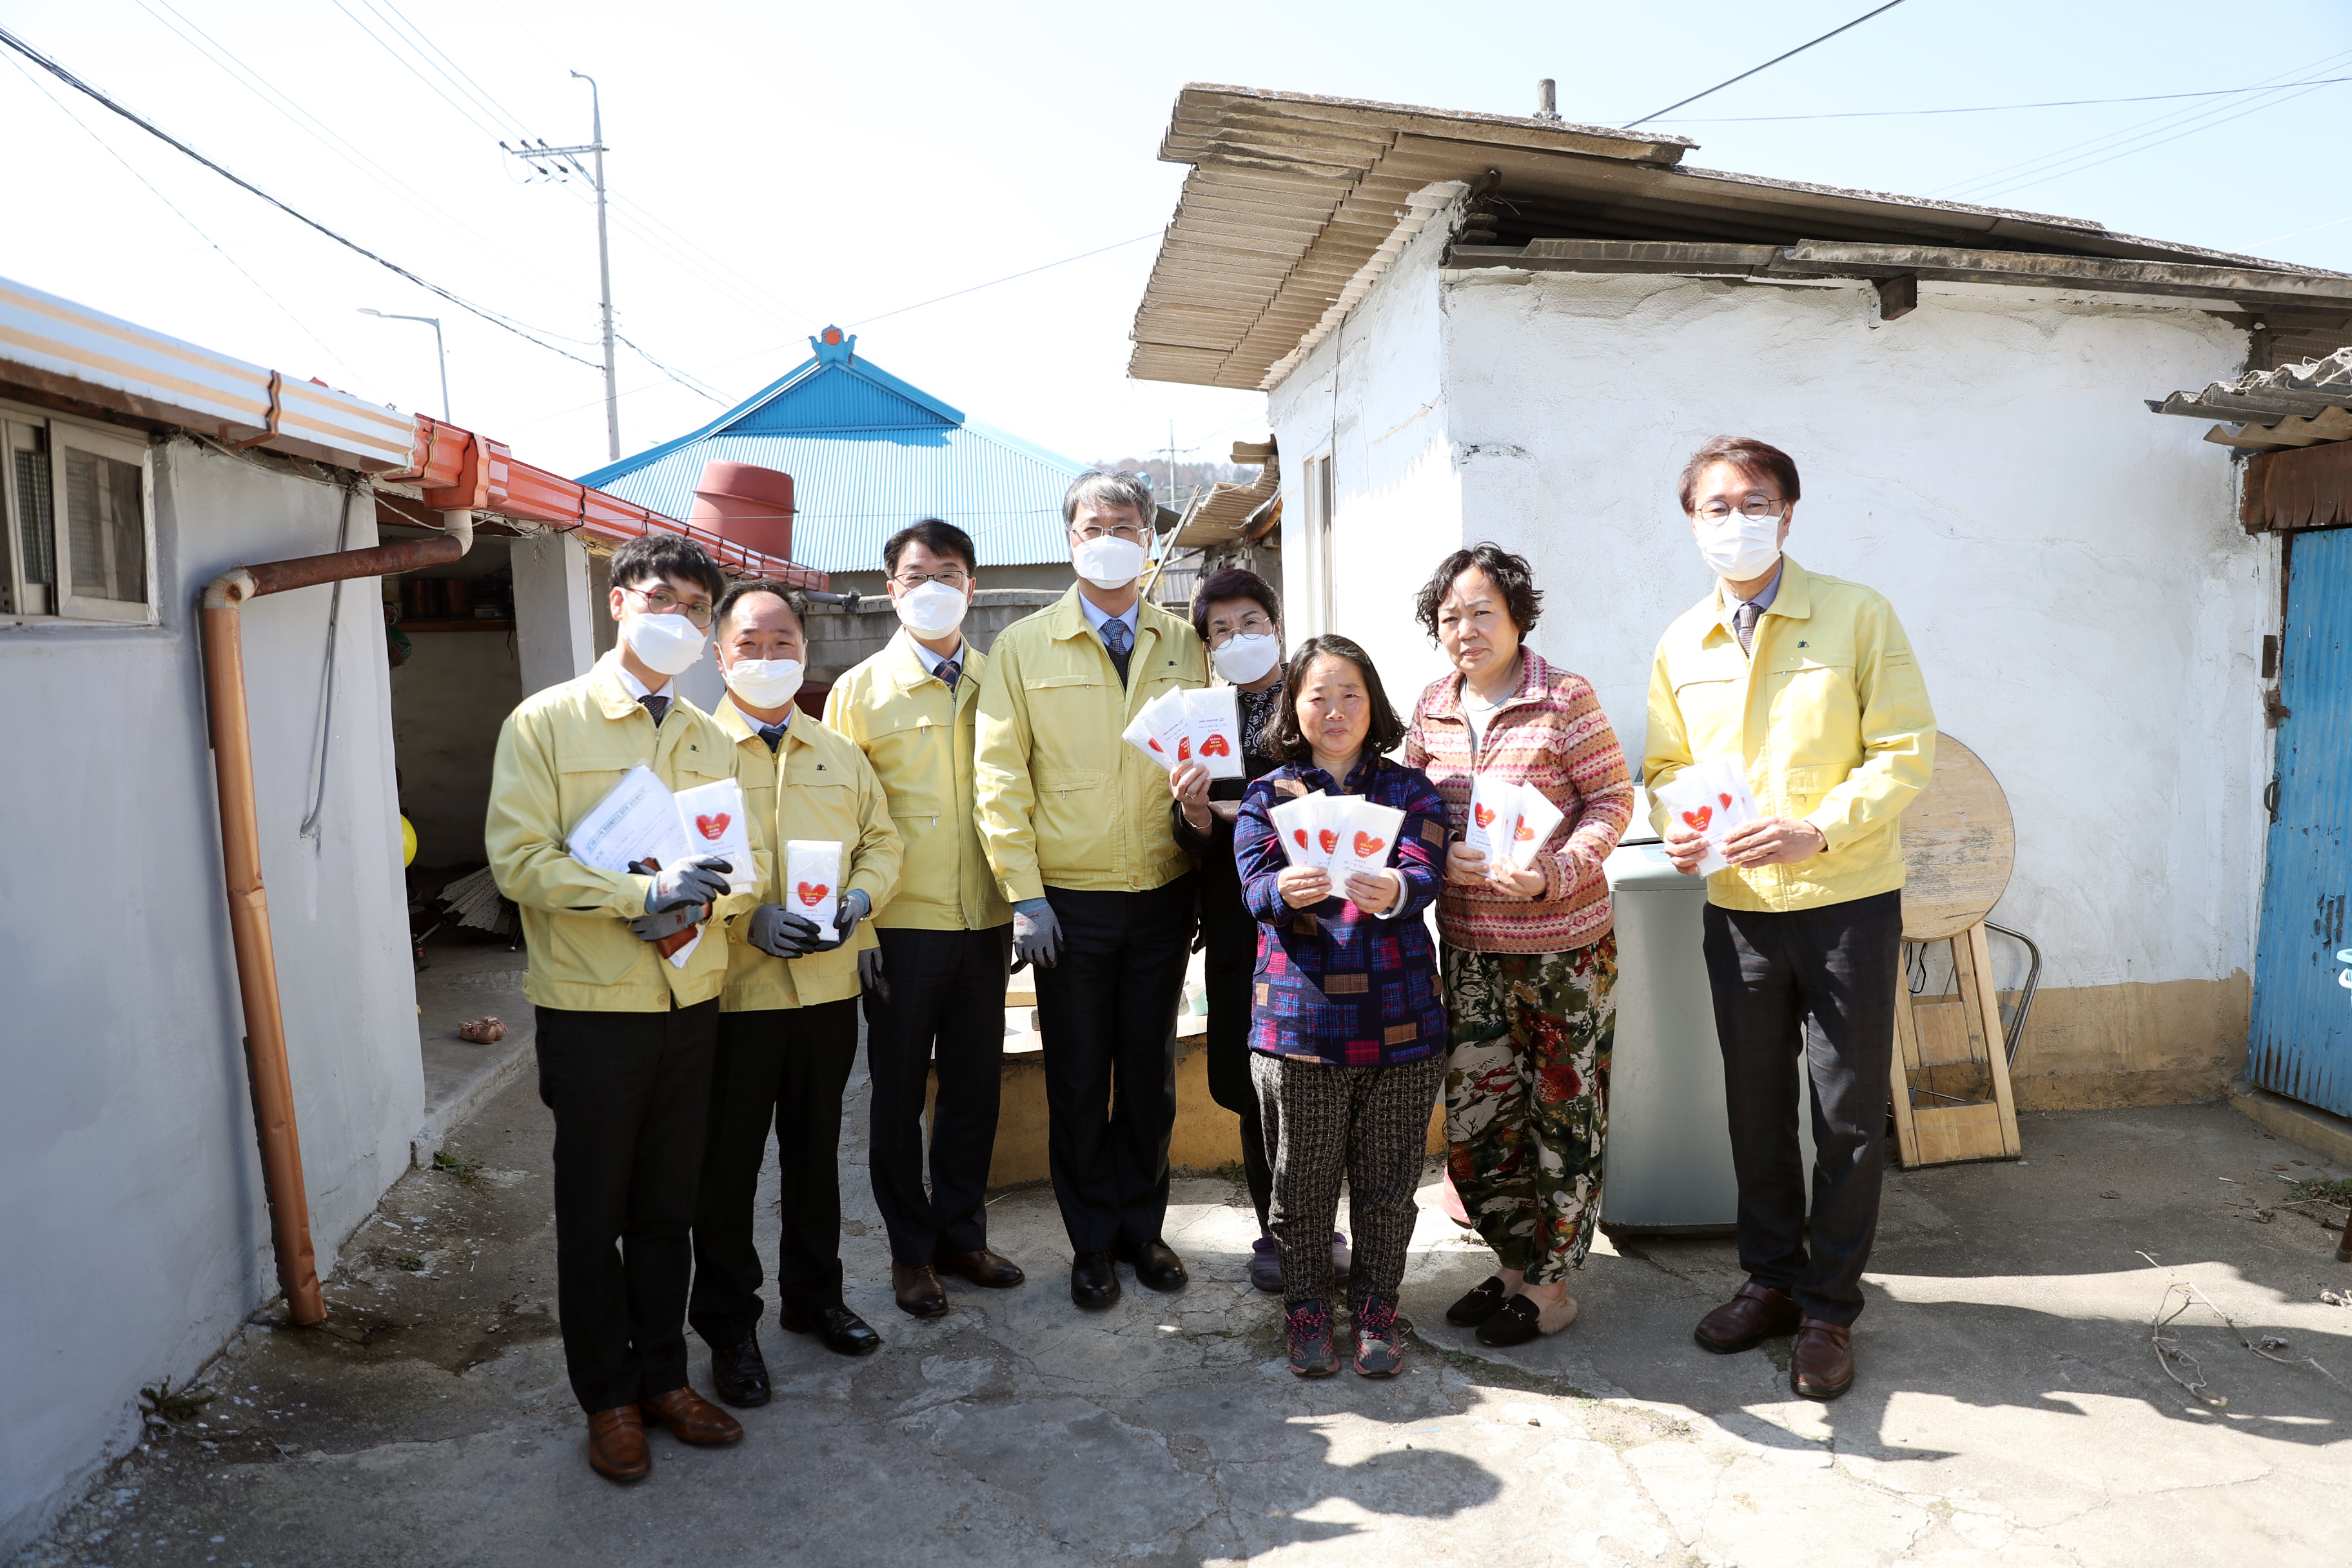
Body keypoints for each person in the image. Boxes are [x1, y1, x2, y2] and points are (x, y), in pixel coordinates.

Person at [1645, 435, 1935, 1402]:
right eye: (1714, 507)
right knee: (1755, 1108)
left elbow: (1903, 752)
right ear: (1691, 523)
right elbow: (1664, 773)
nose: (1735, 521)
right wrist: (1679, 833)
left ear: (1790, 512)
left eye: (1753, 501)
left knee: (1847, 1114)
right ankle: (1769, 1280)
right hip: (1738, 910)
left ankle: (1828, 1308)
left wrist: (1819, 828)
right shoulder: (1680, 642)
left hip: (1846, 901)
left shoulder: (1857, 616)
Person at [485, 534, 753, 1483]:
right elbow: (519, 862)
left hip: (690, 998)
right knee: (594, 1211)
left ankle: (666, 1381)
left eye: (696, 607)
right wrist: (638, 894)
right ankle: (607, 1398)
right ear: (618, 603)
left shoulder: (708, 733)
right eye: (662, 598)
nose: (679, 619)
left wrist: (719, 894)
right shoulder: (547, 723)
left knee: (667, 1209)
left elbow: (737, 864)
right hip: (594, 1007)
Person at [974, 470, 1209, 1310]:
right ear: (1069, 539)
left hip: (1162, 891)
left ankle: (1144, 1230)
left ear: (1147, 539)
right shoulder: (1023, 647)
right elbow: (999, 777)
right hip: (1069, 900)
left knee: (1149, 1073)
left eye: (1124, 523)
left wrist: (1204, 863)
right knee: (1077, 1076)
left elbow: (1210, 765)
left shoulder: (1185, 644)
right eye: (1090, 524)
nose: (1107, 535)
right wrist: (1025, 896)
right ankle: (1091, 1243)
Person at [1404, 543, 1634, 1349]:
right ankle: (1511, 1260)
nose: (1466, 629)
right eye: (1450, 617)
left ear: (1517, 616)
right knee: (1479, 1114)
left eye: (1482, 612)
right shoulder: (1432, 705)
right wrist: (1438, 850)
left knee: (1562, 1115)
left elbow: (1612, 798)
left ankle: (1553, 1282)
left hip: (1563, 950)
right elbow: (1414, 807)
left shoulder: (1563, 697)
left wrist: (1558, 871)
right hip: (1467, 948)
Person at [690, 579, 901, 1384]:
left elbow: (882, 841)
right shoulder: (692, 752)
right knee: (728, 1168)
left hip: (823, 994)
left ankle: (815, 1299)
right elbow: (671, 863)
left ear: (806, 653)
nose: (769, 657)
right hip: (731, 997)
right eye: (751, 643)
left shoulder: (839, 753)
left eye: (785, 643)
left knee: (816, 1157)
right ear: (719, 655)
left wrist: (860, 898)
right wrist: (743, 920)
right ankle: (728, 1328)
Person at [825, 518, 1026, 1321]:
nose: (934, 587)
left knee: (975, 1088)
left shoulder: (999, 679)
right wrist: (862, 927)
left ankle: (960, 1236)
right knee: (898, 1095)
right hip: (899, 927)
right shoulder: (860, 691)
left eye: (950, 572)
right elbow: (838, 816)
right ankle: (911, 1255)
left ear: (973, 587)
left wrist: (1020, 900)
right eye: (917, 576)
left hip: (983, 918)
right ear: (891, 591)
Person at [1233, 634, 1448, 1377]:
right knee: (1301, 1188)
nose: (1335, 709)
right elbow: (1253, 887)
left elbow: (1424, 868)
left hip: (1401, 1020)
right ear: (1293, 707)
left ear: (1373, 703)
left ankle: (1377, 1309)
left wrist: (1399, 888)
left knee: (1389, 1187)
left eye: (1350, 693)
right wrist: (1277, 892)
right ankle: (1305, 1312)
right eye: (1317, 694)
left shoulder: (1409, 790)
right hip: (1301, 1023)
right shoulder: (1267, 797)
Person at [1169, 568, 1348, 1295]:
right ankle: (1275, 1227)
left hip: (1315, 919)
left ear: (1276, 623)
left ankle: (1325, 1225)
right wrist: (1196, 817)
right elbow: (1192, 842)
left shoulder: (1313, 698)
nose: (1236, 638)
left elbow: (1346, 793)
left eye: (1249, 622)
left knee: (1318, 1072)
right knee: (1252, 1079)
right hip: (1238, 925)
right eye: (1219, 630)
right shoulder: (1203, 719)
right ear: (1206, 645)